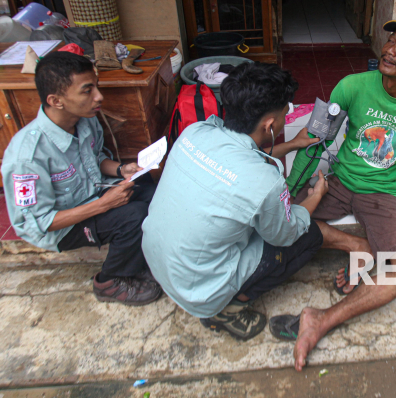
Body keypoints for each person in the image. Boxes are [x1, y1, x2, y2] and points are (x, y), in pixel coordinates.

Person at [274, 19, 396, 370]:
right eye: (390, 41)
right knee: (276, 223)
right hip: (338, 182)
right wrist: (290, 193)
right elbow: (315, 138)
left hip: (384, 196)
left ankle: (321, 319)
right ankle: (359, 247)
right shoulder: (352, 86)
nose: (389, 50)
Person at [142, 63, 372, 341]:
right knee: (307, 234)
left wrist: (291, 145)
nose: (286, 121)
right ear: (269, 125)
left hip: (160, 265)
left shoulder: (195, 133)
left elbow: (240, 152)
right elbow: (286, 234)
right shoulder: (266, 181)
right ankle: (226, 310)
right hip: (200, 292)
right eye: (285, 116)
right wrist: (316, 196)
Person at [1, 52, 161, 306]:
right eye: (88, 90)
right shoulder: (27, 157)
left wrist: (122, 170)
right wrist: (105, 204)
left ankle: (142, 256)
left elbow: (94, 161)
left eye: (96, 86)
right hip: (62, 226)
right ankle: (109, 281)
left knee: (148, 188)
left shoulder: (84, 121)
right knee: (134, 216)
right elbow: (39, 222)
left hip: (90, 196)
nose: (99, 96)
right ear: (57, 100)